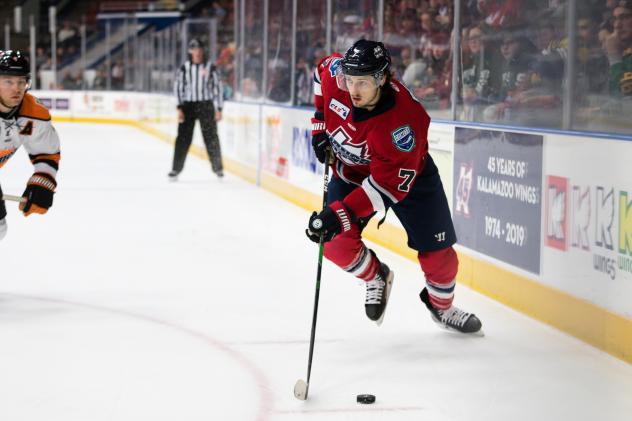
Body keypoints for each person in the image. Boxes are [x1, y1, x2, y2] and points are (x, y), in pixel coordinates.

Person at [305, 39, 482, 334]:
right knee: (332, 242)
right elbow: (320, 74)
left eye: (362, 83)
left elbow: (385, 187)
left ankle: (442, 307)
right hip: (351, 173)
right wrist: (320, 125)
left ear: (382, 78)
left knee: (440, 254)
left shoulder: (404, 123)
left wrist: (340, 214)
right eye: (349, 80)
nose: (352, 89)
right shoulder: (337, 76)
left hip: (407, 179)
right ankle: (376, 276)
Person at [0, 50, 61, 241]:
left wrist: (42, 183)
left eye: (21, 81)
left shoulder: (33, 113)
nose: (16, 88)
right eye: (8, 81)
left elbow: (46, 154)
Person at [169, 38, 224, 181]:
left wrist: (219, 108)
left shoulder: (211, 67)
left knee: (211, 137)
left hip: (206, 105)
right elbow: (178, 88)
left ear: (203, 50)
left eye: (199, 49)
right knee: (183, 138)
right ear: (190, 51)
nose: (197, 52)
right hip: (188, 106)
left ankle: (218, 168)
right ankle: (176, 169)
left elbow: (218, 88)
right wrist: (179, 107)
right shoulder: (184, 68)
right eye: (194, 49)